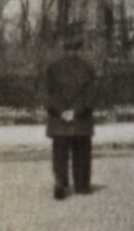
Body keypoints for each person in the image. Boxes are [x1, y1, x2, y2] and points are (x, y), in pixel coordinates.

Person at [41, 34, 99, 200]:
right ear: (79, 49)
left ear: (64, 49)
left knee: (60, 154)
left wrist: (61, 111)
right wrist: (76, 111)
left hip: (59, 121)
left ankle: (61, 182)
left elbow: (47, 95)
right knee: (82, 153)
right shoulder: (87, 69)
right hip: (81, 120)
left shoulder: (52, 69)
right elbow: (90, 96)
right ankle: (81, 184)